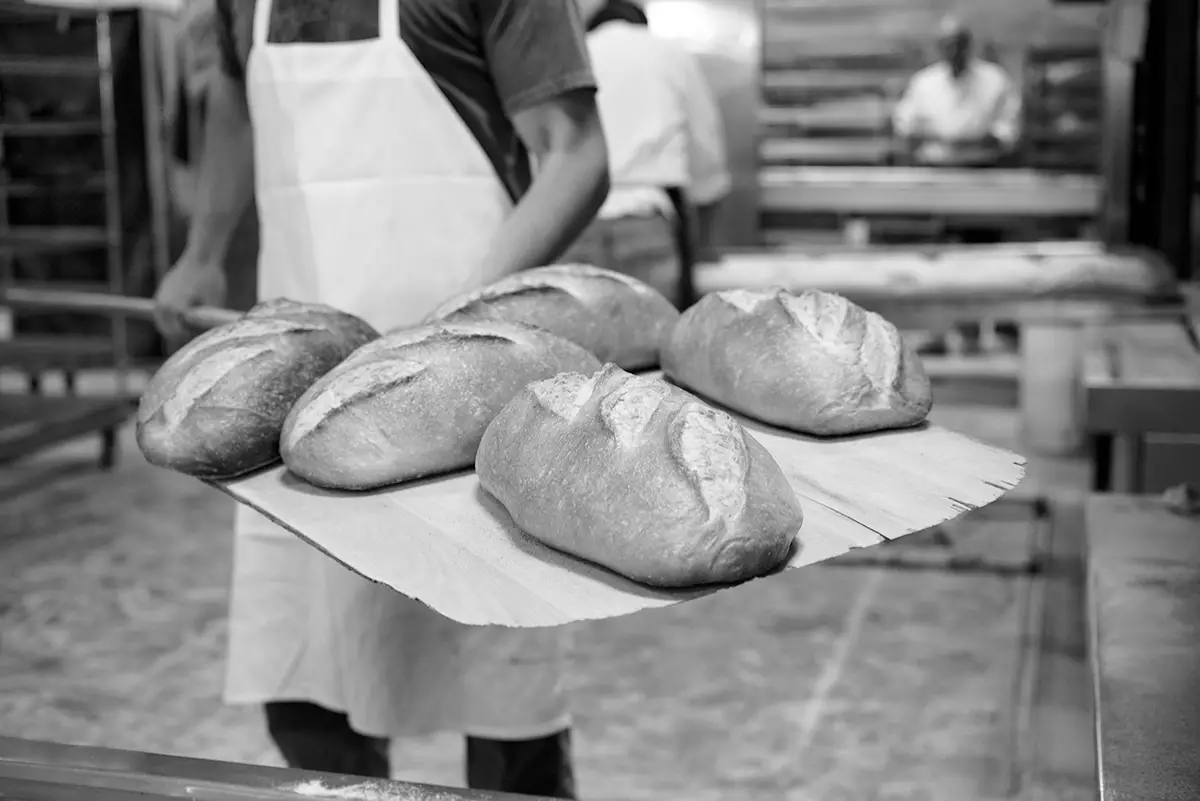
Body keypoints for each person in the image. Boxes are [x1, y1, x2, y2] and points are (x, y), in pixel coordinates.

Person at [152, 1, 610, 797]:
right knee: (307, 680)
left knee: (503, 692)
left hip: (467, 386)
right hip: (292, 402)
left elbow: (575, 154)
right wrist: (202, 251)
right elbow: (234, 102)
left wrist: (448, 325)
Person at [560, 0, 731, 308]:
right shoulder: (667, 54)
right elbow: (706, 149)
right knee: (652, 347)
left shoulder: (574, 56)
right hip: (645, 222)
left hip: (574, 223)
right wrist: (706, 237)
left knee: (580, 348)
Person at [892, 16, 1022, 168]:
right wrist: (936, 139)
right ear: (940, 48)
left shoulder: (995, 79)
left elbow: (1008, 126)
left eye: (959, 45)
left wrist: (982, 141)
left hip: (983, 169)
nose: (954, 52)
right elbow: (904, 125)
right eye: (948, 46)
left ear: (968, 46)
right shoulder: (924, 82)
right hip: (932, 169)